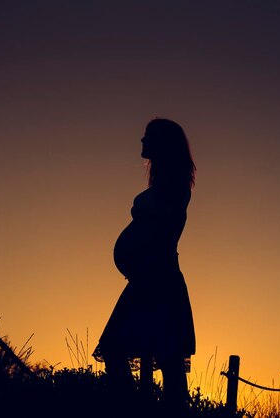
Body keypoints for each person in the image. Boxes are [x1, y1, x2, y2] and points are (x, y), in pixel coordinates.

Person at [93, 118, 196, 410]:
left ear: (163, 144)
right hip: (146, 279)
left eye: (148, 137)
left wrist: (139, 256)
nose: (141, 141)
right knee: (124, 348)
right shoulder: (166, 184)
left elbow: (161, 231)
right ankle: (135, 407)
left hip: (157, 280)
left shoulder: (174, 186)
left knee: (165, 357)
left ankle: (137, 409)